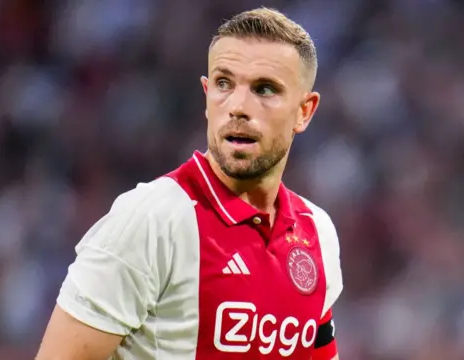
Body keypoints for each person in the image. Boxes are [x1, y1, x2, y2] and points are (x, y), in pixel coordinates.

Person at [37, 7, 343, 360]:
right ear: (206, 94)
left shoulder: (317, 231)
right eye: (224, 84)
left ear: (304, 111)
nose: (238, 107)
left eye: (264, 89)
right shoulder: (151, 220)